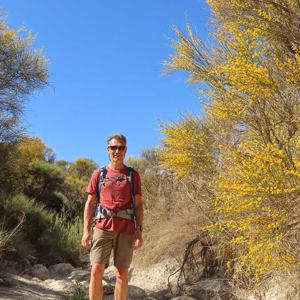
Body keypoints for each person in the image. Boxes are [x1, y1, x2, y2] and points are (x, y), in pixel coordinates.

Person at [81, 133, 143, 300]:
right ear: (108, 150)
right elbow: (90, 203)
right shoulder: (99, 174)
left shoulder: (132, 175)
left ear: (125, 150)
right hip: (102, 227)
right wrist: (86, 231)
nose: (117, 151)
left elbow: (138, 204)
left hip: (126, 228)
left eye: (120, 147)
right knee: (96, 269)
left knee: (122, 272)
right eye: (113, 147)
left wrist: (139, 231)